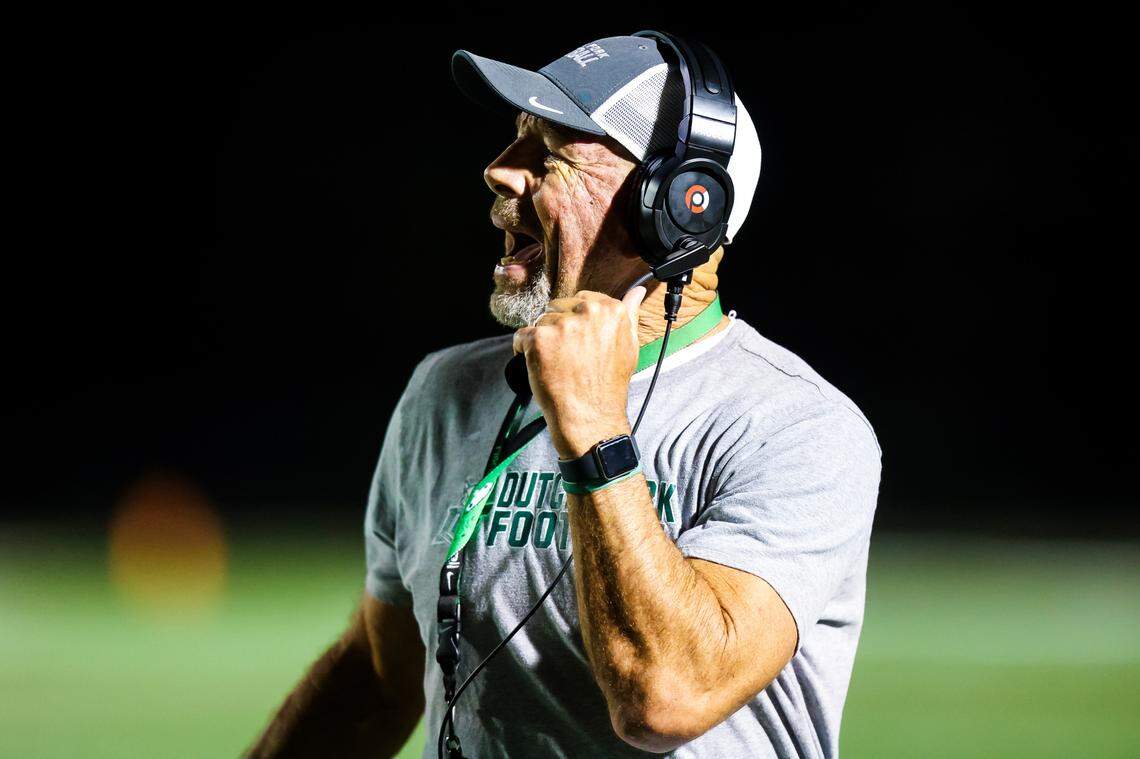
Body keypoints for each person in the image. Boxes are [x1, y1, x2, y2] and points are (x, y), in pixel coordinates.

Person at [248, 34, 881, 759]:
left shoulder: (795, 426)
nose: (496, 171)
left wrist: (591, 425)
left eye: (548, 155)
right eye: (512, 140)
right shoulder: (444, 395)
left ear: (679, 207)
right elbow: (381, 678)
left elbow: (665, 698)